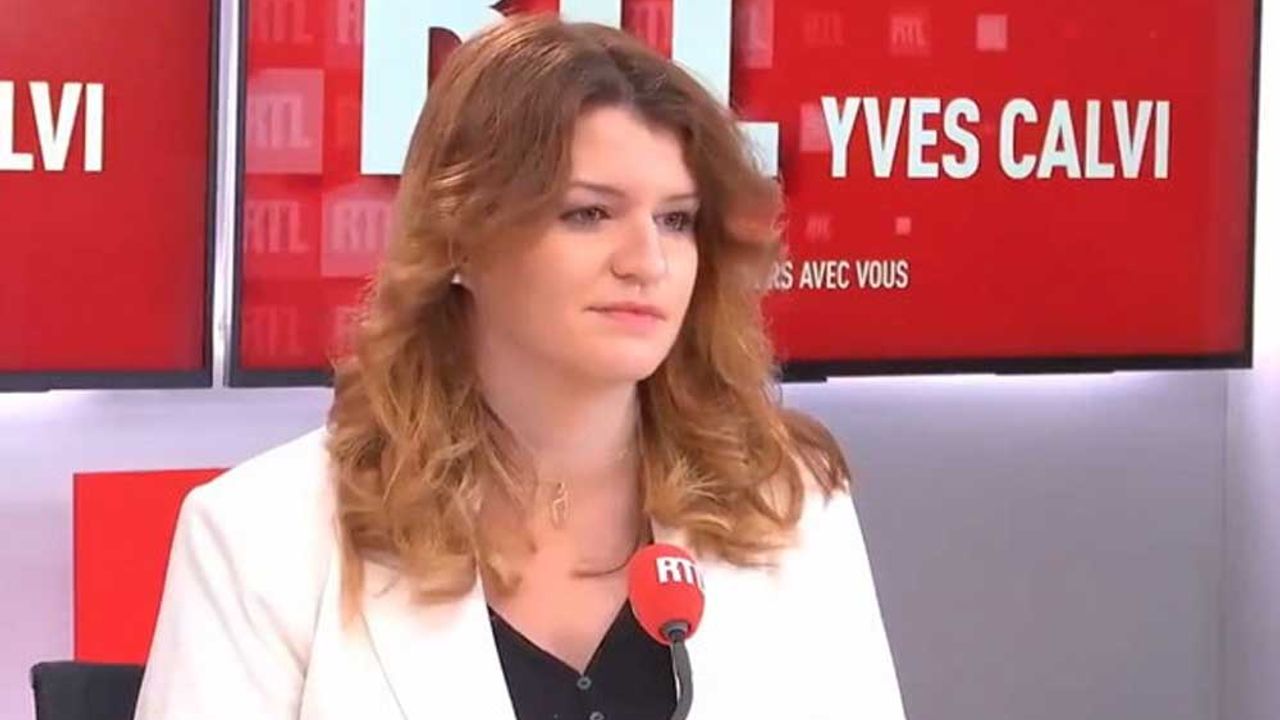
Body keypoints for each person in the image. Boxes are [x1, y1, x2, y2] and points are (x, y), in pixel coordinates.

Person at [134, 13, 907, 720]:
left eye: (676, 220)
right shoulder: (263, 536)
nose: (647, 261)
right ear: (462, 240)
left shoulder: (789, 504)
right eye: (589, 213)